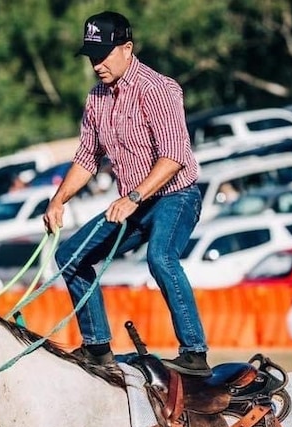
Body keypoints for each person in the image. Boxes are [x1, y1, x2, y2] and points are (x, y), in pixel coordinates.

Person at [43, 11, 211, 377]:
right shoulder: (96, 99)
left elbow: (174, 158)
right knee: (71, 255)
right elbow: (87, 158)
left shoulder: (158, 89)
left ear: (128, 48)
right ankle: (98, 347)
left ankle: (195, 353)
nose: (96, 64)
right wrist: (58, 200)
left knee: (161, 257)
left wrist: (133, 197)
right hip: (133, 204)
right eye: (91, 56)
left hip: (175, 197)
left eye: (103, 54)